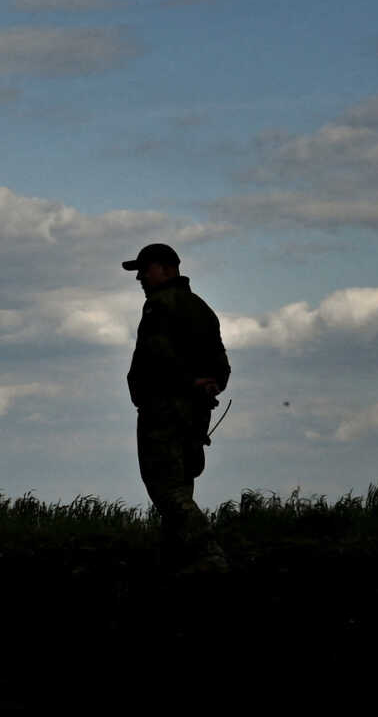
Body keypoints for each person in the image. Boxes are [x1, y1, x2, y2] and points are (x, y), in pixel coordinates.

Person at [123, 242, 230, 571]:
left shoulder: (159, 305)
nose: (140, 277)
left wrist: (187, 384)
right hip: (196, 412)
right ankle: (173, 559)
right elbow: (221, 365)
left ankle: (207, 552)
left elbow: (158, 359)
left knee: (164, 485)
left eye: (145, 269)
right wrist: (209, 383)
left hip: (164, 409)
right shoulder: (201, 307)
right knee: (181, 482)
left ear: (168, 269)